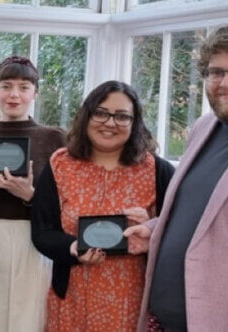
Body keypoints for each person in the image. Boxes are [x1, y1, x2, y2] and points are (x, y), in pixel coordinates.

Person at [31, 80, 175, 331]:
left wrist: (153, 228)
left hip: (134, 304)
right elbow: (42, 232)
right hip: (72, 301)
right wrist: (73, 247)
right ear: (86, 116)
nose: (110, 123)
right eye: (101, 113)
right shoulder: (60, 165)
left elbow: (180, 235)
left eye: (122, 116)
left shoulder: (158, 171)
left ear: (135, 122)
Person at [124, 26, 228, 332]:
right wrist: (156, 230)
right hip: (163, 321)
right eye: (216, 72)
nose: (223, 83)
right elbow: (200, 215)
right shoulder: (203, 128)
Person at [0, 55, 66, 332]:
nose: (14, 95)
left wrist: (32, 196)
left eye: (23, 87)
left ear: (35, 93)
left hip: (33, 243)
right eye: (6, 86)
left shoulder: (55, 139)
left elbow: (68, 204)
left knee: (27, 318)